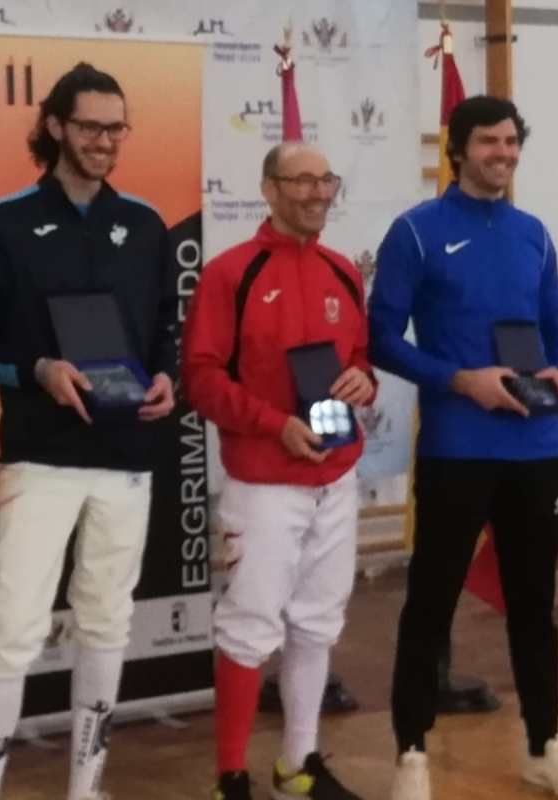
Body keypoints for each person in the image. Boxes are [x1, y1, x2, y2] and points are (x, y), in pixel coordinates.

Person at [0, 62, 178, 800]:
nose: (106, 141)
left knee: (107, 623)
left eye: (116, 127)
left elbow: (164, 334)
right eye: (90, 127)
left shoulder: (144, 226)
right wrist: (37, 369)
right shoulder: (7, 223)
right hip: (40, 460)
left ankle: (86, 787)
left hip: (126, 459)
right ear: (54, 127)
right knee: (12, 629)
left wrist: (170, 378)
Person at [368, 95, 558, 800]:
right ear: (459, 147)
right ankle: (411, 752)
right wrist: (458, 380)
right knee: (430, 603)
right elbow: (381, 338)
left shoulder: (533, 232)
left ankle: (544, 744)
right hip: (458, 447)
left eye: (511, 142)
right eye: (489, 142)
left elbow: (557, 326)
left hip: (537, 448)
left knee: (536, 605)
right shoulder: (415, 232)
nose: (502, 153)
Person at [183, 143, 373, 800]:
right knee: (249, 625)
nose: (318, 192)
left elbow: (361, 361)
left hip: (336, 481)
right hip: (263, 484)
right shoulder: (231, 273)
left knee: (318, 622)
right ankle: (229, 777)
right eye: (302, 180)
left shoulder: (343, 271)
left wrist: (363, 383)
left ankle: (297, 764)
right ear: (269, 190)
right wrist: (274, 425)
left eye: (327, 178)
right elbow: (202, 380)